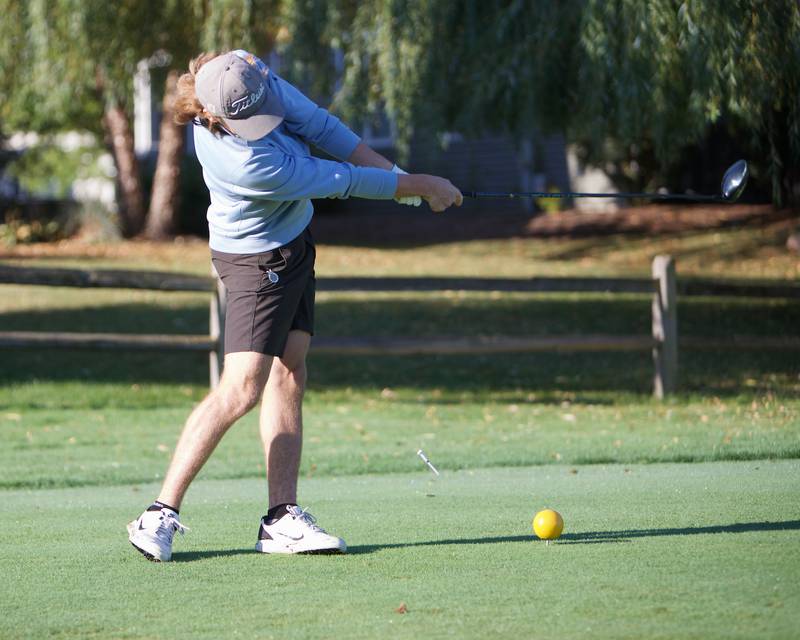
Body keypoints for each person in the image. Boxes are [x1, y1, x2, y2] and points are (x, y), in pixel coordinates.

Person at [127, 49, 462, 561]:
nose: (266, 124)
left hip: (293, 242)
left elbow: (321, 126)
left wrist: (403, 179)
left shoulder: (243, 74)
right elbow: (339, 179)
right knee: (240, 389)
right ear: (215, 117)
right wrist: (416, 185)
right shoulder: (252, 164)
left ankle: (281, 519)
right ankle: (159, 513)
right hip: (256, 260)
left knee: (291, 371)